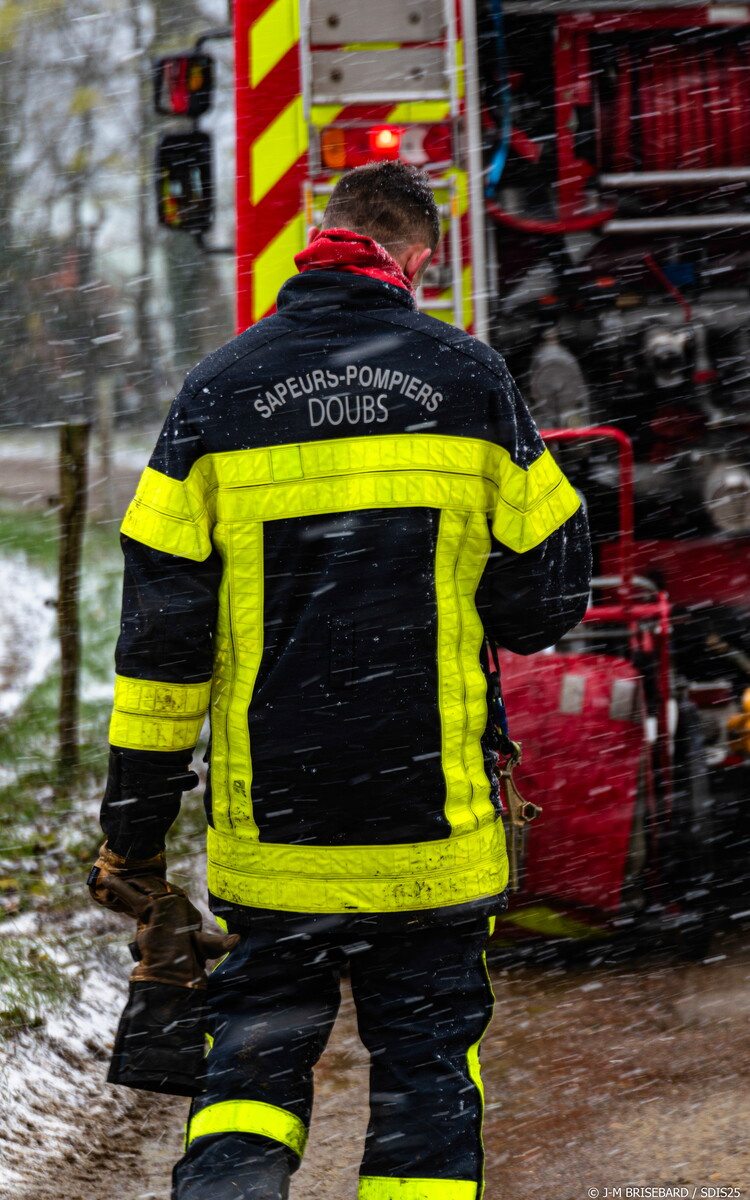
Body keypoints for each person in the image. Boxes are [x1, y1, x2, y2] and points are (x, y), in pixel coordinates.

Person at [89, 160, 591, 1200]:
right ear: (418, 262)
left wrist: (133, 834)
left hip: (278, 848)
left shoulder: (216, 393)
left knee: (250, 1079)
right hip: (430, 839)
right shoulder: (471, 380)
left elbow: (160, 654)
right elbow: (549, 599)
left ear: (320, 237)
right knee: (423, 1090)